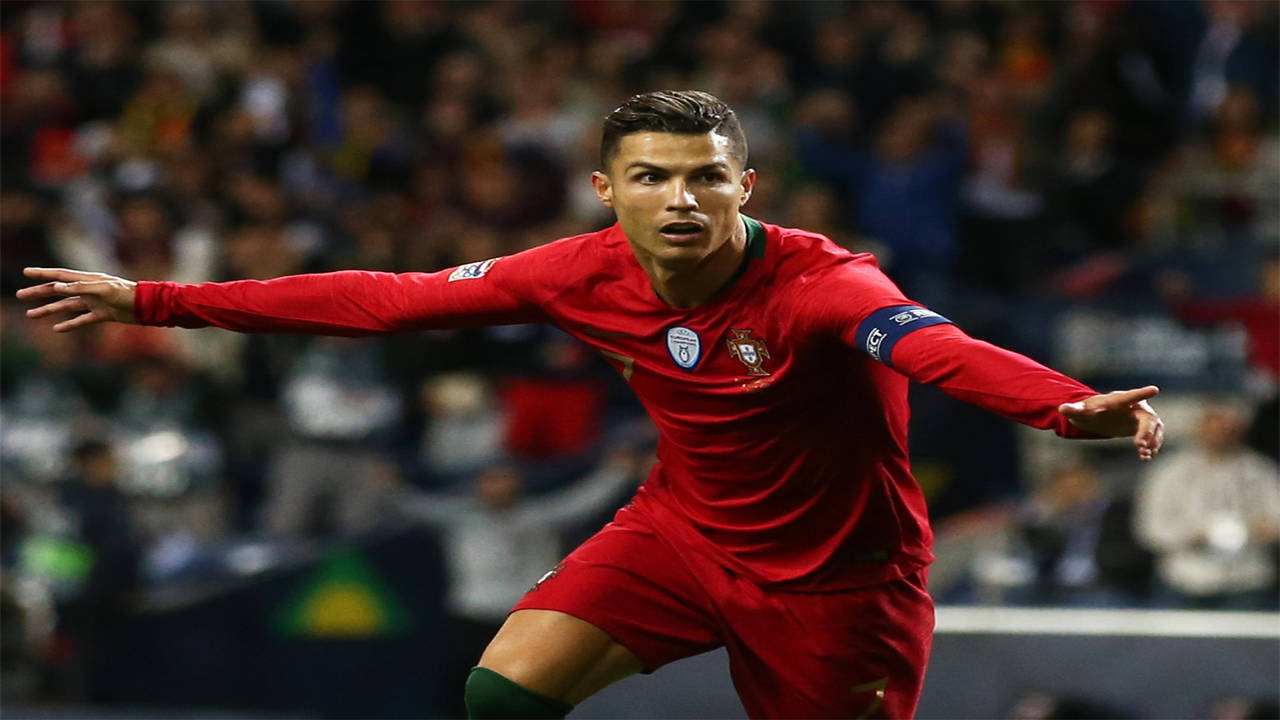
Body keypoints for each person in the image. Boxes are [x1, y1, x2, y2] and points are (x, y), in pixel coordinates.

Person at [19, 91, 1164, 719]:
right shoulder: (577, 271)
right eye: (653, 175)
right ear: (605, 188)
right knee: (500, 693)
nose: (681, 197)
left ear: (743, 185)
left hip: (838, 577)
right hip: (677, 534)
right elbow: (384, 299)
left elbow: (939, 350)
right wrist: (155, 299)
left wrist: (1066, 412)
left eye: (706, 175)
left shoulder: (825, 283)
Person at [1134, 402, 1279, 609]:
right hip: (1183, 580)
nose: (1220, 433)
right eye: (1213, 426)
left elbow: (1276, 520)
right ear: (1198, 428)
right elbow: (1149, 529)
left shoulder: (1262, 471)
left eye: (1227, 428)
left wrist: (1261, 529)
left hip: (1247, 580)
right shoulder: (1168, 472)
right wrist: (1193, 535)